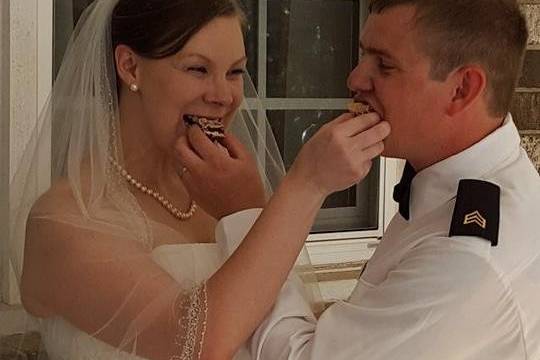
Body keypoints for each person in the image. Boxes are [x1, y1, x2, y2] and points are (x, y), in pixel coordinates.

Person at [10, 0, 389, 359]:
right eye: (197, 69)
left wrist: (248, 208)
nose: (224, 96)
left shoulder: (226, 195)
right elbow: (195, 344)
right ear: (130, 67)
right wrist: (306, 183)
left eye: (235, 72)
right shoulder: (64, 219)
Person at [198, 0, 540, 359]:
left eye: (384, 65)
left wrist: (247, 214)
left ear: (462, 89)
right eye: (363, 54)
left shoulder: (470, 260)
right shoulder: (469, 190)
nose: (355, 79)